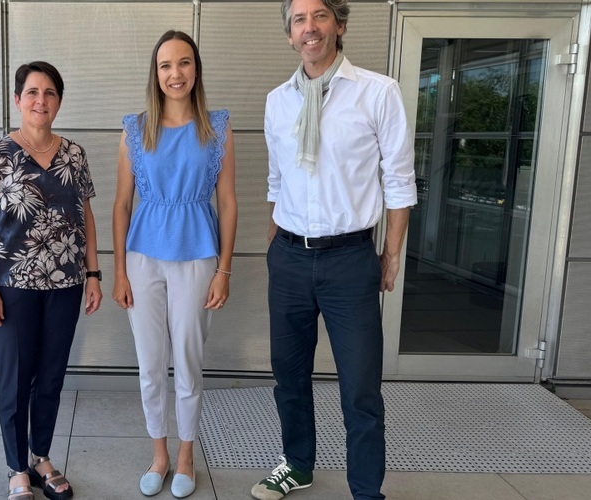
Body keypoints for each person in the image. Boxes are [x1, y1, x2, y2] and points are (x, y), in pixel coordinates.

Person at [251, 0, 417, 499]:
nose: (310, 28)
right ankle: (297, 465)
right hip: (290, 258)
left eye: (319, 16)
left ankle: (366, 490)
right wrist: (275, 248)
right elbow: (277, 180)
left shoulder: (378, 93)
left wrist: (389, 255)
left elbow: (399, 181)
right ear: (289, 35)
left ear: (338, 25)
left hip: (350, 259)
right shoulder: (278, 100)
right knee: (289, 376)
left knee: (361, 388)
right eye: (299, 20)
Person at [113, 30, 238, 499]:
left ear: (196, 69)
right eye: (166, 65)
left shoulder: (217, 127)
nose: (175, 73)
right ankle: (159, 454)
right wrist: (120, 272)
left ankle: (186, 454)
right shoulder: (135, 128)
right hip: (143, 257)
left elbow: (227, 203)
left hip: (198, 255)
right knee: (150, 362)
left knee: (188, 358)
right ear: (156, 72)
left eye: (184, 63)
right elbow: (122, 205)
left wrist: (225, 270)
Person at [0, 61, 102, 500]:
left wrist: (94, 273)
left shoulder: (74, 154)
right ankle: (16, 467)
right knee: (15, 377)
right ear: (17, 100)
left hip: (65, 286)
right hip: (10, 287)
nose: (40, 100)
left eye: (49, 93)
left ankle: (41, 455)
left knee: (50, 376)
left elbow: (86, 216)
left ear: (58, 101)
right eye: (32, 92)